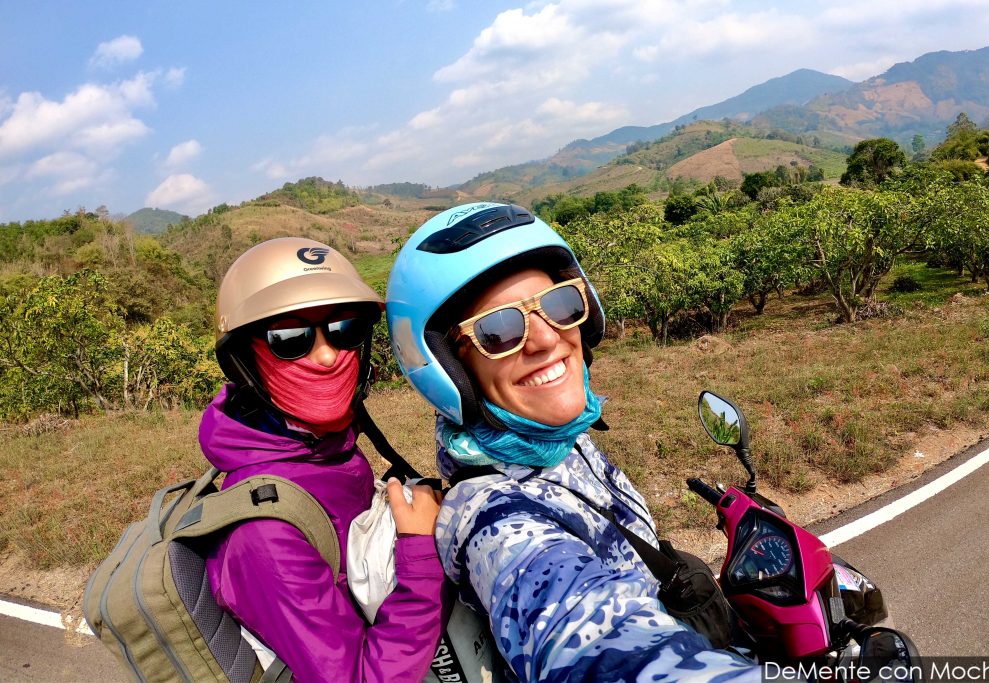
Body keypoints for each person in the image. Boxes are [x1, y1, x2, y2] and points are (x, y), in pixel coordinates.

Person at [386, 203, 760, 683]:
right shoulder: (498, 524)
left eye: (560, 305)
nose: (546, 339)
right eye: (497, 331)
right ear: (447, 368)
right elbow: (593, 637)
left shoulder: (551, 441)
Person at [202, 237, 445, 683]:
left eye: (346, 328)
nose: (329, 354)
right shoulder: (264, 535)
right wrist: (420, 555)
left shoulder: (323, 448)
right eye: (289, 338)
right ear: (245, 362)